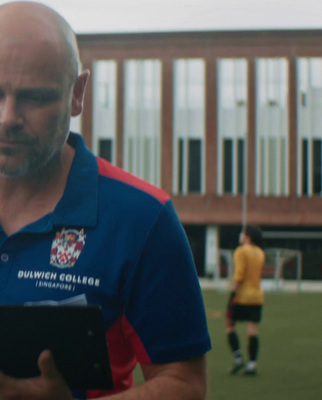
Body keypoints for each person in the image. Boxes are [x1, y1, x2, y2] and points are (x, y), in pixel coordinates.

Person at [0, 1, 211, 399]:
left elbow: (185, 384)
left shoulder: (142, 218)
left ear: (76, 94)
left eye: (34, 97)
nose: (7, 117)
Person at [225, 225, 265, 376]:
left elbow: (239, 275)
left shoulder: (241, 251)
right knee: (253, 330)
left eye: (243, 233)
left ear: (247, 236)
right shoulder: (260, 252)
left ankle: (238, 358)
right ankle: (252, 365)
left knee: (229, 324)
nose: (240, 235)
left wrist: (232, 294)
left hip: (242, 296)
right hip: (257, 296)